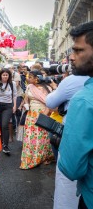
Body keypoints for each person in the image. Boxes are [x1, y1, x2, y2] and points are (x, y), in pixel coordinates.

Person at [58, 21, 93, 209]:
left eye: (78, 51)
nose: (71, 57)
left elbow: (72, 168)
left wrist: (62, 144)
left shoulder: (84, 101)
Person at [46, 74, 89, 209]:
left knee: (67, 181)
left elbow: (51, 102)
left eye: (78, 51)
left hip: (71, 135)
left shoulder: (76, 89)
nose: (72, 57)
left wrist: (56, 88)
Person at [19, 70, 53, 169]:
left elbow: (50, 103)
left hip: (42, 114)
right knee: (30, 138)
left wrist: (43, 117)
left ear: (36, 78)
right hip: (31, 115)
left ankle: (43, 156)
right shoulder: (29, 87)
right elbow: (26, 98)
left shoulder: (47, 88)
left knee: (42, 137)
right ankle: (30, 158)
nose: (27, 78)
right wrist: (26, 105)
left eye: (30, 77)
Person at [0, 68, 17, 154]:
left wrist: (14, 106)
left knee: (5, 125)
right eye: (3, 75)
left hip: (8, 106)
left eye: (6, 75)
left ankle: (5, 145)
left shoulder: (12, 84)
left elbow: (14, 95)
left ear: (9, 76)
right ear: (0, 76)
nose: (5, 76)